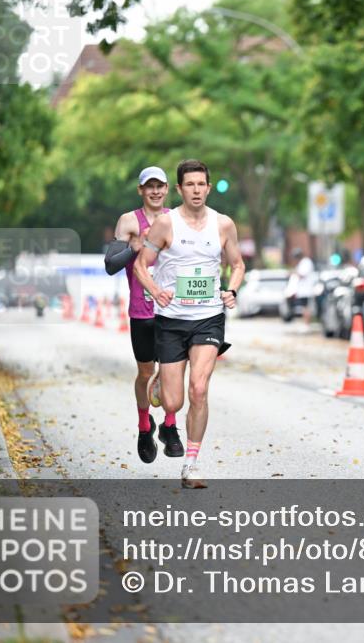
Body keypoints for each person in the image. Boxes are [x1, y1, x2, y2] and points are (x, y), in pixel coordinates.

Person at [134, 159, 244, 489]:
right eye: (190, 185)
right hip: (171, 320)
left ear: (208, 188)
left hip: (208, 318)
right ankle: (159, 382)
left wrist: (232, 290)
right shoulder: (166, 225)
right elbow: (142, 264)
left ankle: (191, 464)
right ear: (179, 189)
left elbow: (237, 264)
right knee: (173, 402)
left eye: (201, 184)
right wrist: (155, 290)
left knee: (198, 388)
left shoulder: (223, 225)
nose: (196, 190)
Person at [105, 166, 183, 464]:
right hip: (142, 311)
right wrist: (134, 248)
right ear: (141, 190)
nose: (155, 191)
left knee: (172, 373)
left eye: (160, 186)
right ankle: (143, 426)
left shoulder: (175, 219)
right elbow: (111, 264)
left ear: (167, 189)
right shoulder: (128, 221)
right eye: (149, 186)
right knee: (146, 374)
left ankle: (171, 427)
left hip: (173, 309)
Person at [291, 248, 317, 328]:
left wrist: (293, 273)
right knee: (304, 308)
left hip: (307, 290)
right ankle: (306, 324)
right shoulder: (302, 263)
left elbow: (302, 274)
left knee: (306, 308)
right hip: (303, 290)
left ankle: (307, 324)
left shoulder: (306, 262)